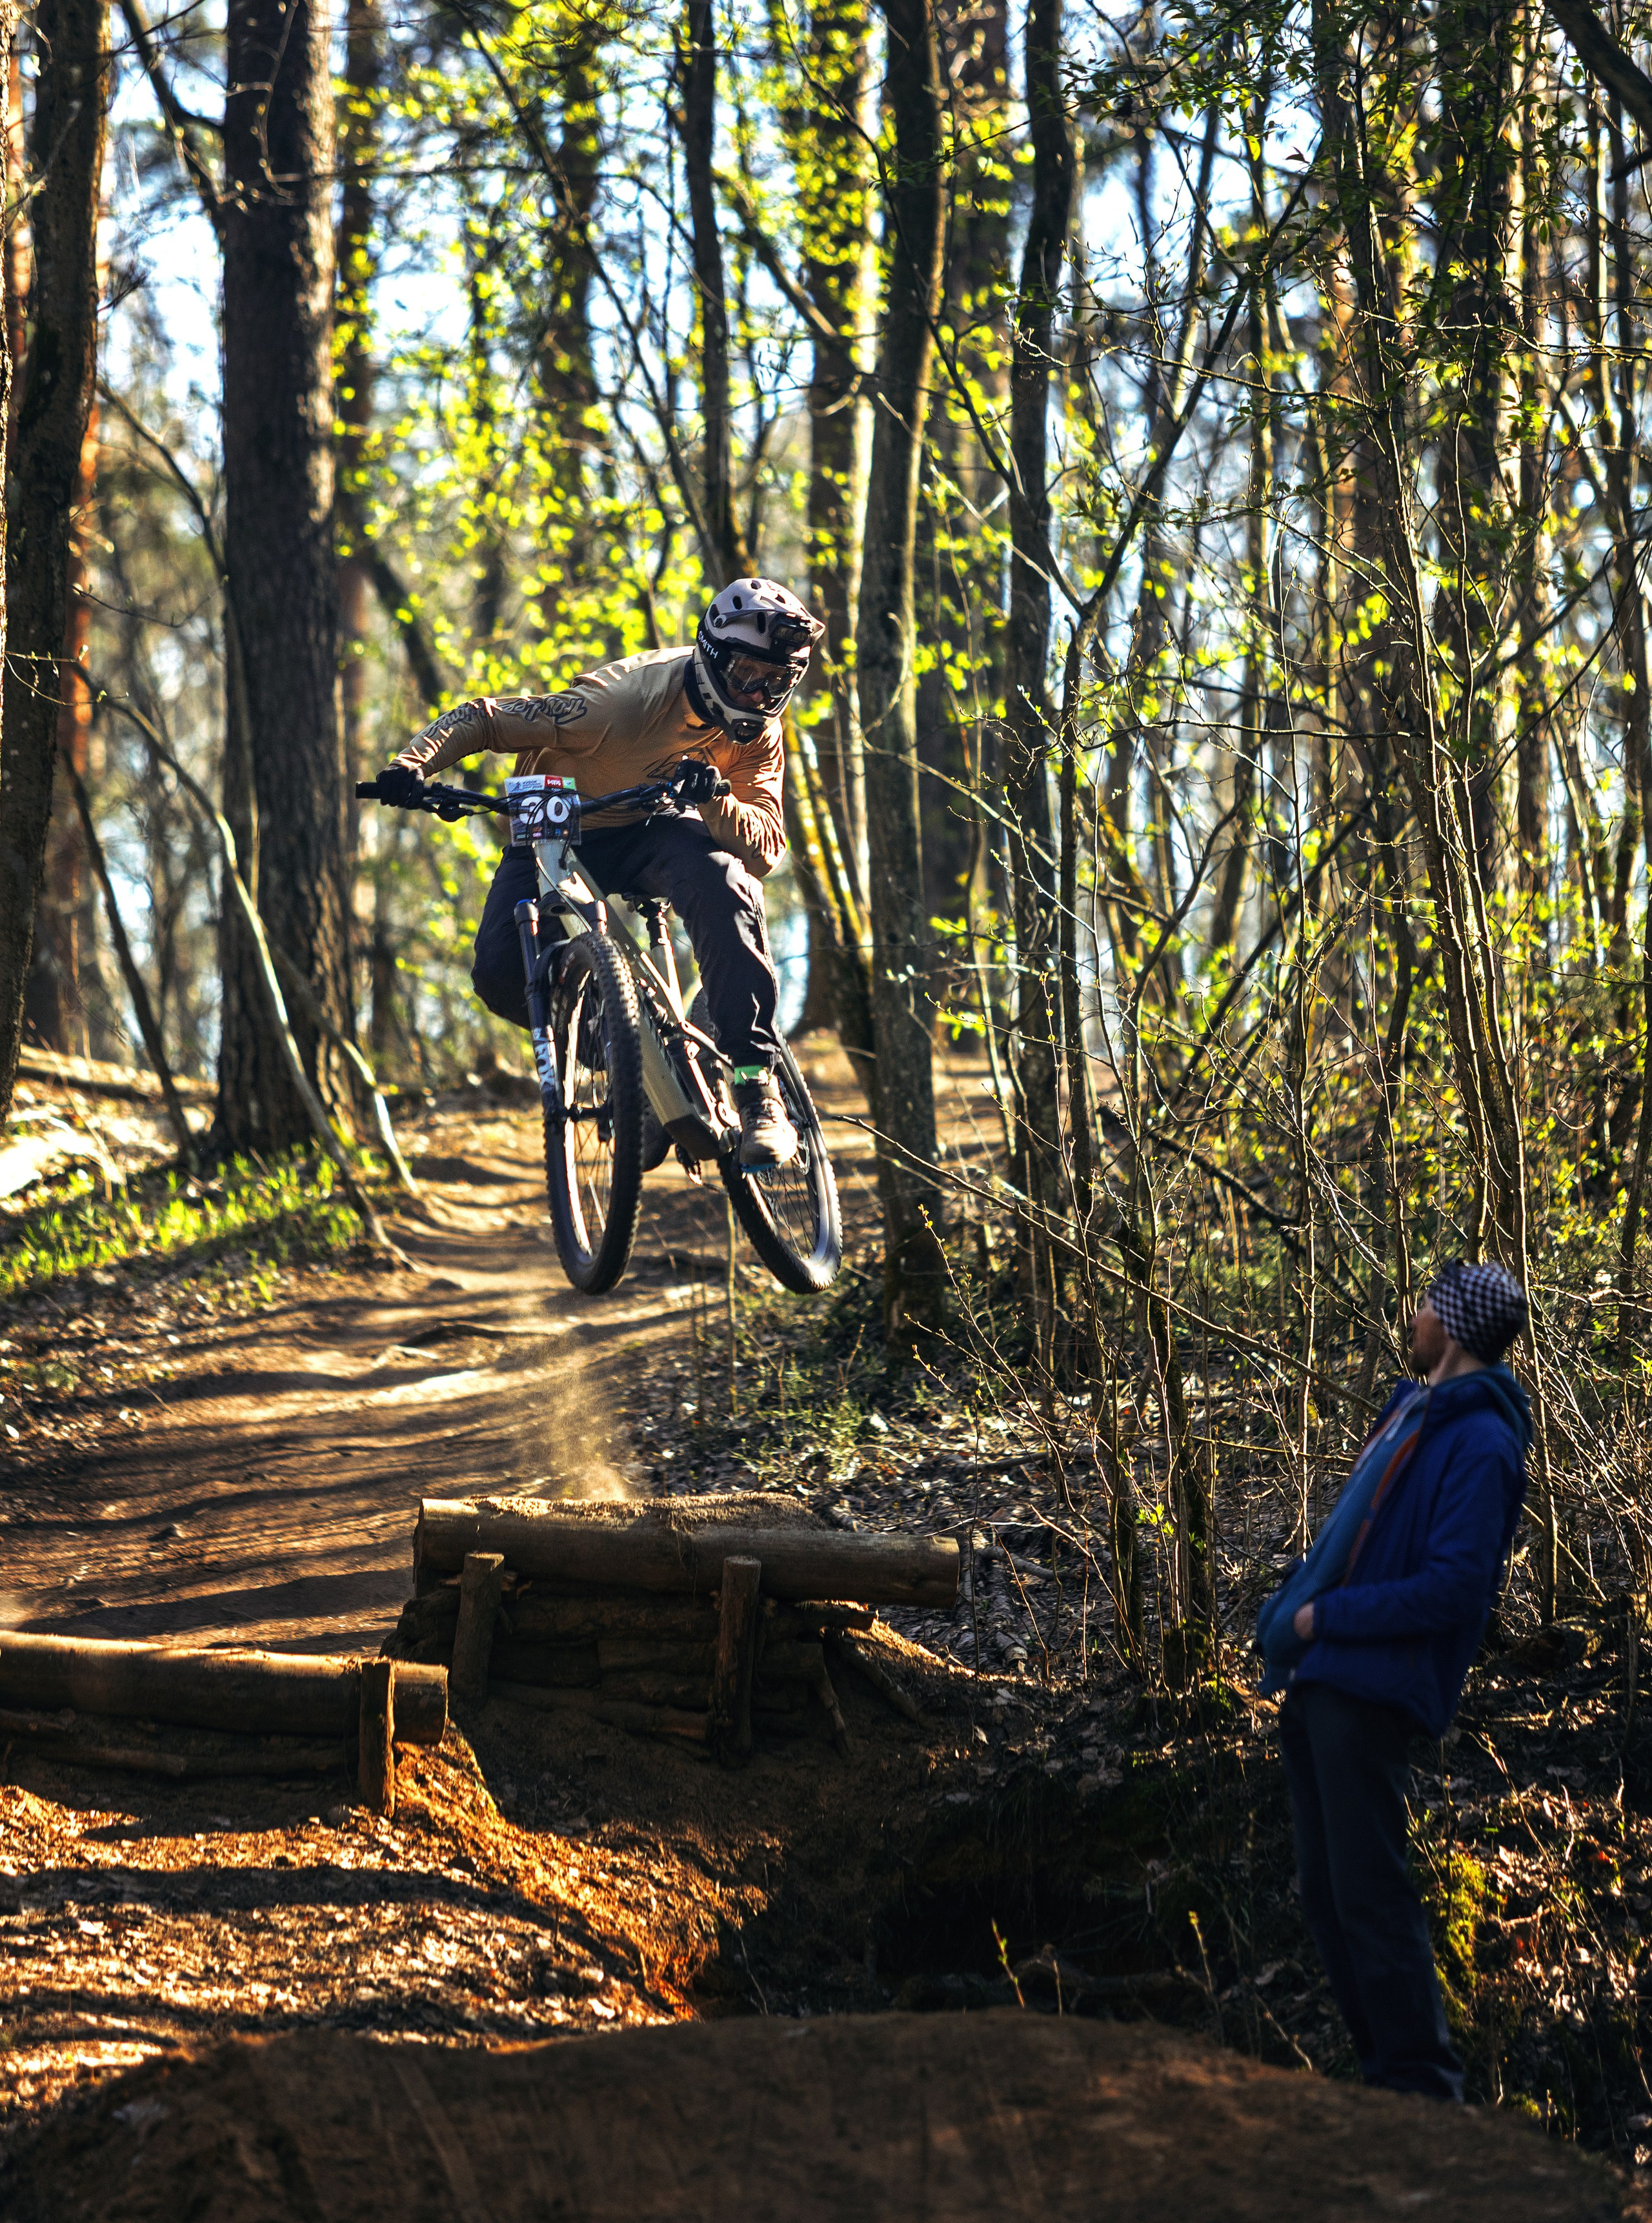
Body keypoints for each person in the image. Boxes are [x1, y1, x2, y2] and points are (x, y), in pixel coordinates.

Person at [380, 578, 823, 1170]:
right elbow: (486, 718)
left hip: (654, 825)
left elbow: (764, 850)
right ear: (713, 656)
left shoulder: (760, 731)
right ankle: (627, 1061)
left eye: (777, 681)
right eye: (748, 674)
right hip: (558, 819)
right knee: (499, 972)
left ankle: (755, 1090)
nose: (761, 692)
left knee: (728, 882)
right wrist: (412, 763)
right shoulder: (617, 705)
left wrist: (715, 798)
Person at [1255, 1260, 1533, 2102]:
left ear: (1450, 1322)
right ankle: (1386, 2082)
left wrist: (1322, 1620)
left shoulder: (1481, 1439)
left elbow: (1456, 1588)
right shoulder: (1412, 1413)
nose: (1410, 1317)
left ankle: (1423, 2088)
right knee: (1327, 1895)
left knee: (1371, 1893)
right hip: (1321, 1677)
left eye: (1424, 1304)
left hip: (1367, 1684)